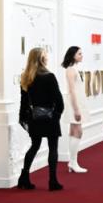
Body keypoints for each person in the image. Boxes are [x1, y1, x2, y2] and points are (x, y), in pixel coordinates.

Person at [17, 47, 65, 191]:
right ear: (41, 59)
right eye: (45, 56)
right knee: (53, 148)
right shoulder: (49, 77)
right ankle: (52, 181)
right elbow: (59, 101)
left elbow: (24, 102)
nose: (47, 58)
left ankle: (24, 177)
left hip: (34, 118)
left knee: (34, 146)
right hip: (50, 118)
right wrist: (56, 116)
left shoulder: (26, 78)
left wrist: (23, 118)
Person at [61, 46, 87, 174]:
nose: (82, 55)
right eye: (79, 54)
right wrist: (76, 109)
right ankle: (73, 162)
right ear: (73, 55)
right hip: (74, 105)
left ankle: (72, 162)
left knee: (74, 131)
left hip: (77, 103)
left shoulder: (74, 69)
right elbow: (71, 90)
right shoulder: (71, 70)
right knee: (78, 132)